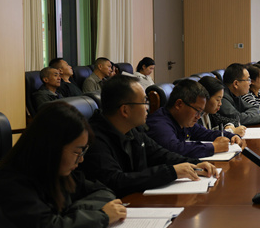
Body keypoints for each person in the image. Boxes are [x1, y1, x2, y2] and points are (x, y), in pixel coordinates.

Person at [79, 76, 216, 197]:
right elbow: (116, 181)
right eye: (144, 102)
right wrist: (171, 172)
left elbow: (160, 154)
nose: (148, 108)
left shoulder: (133, 130)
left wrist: (195, 164)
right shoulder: (93, 139)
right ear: (125, 110)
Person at [146, 79, 241, 158]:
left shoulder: (183, 120)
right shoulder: (159, 124)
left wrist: (230, 136)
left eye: (201, 112)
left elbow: (205, 133)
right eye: (197, 111)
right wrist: (213, 147)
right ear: (179, 104)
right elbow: (175, 149)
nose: (198, 116)